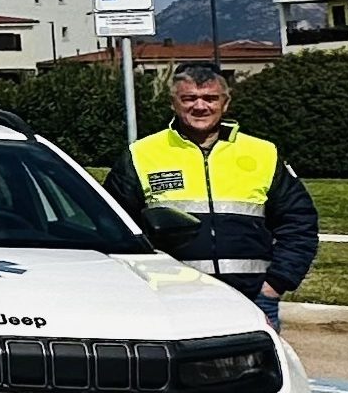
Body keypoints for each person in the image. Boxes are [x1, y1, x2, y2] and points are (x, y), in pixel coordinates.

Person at [104, 63, 319, 329]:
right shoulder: (142, 154)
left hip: (250, 299)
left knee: (254, 371)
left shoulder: (262, 153)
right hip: (169, 301)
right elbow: (113, 230)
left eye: (210, 98)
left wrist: (275, 284)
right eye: (189, 98)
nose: (200, 106)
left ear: (225, 103)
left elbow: (299, 224)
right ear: (173, 103)